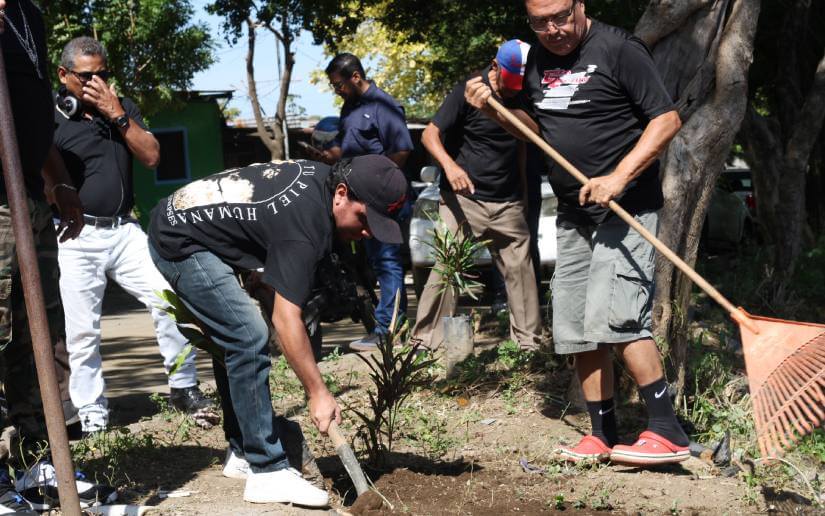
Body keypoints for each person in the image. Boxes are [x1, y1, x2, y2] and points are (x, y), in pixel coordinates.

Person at [465, 0, 688, 466]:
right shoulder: (537, 60)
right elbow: (534, 131)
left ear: (580, 6)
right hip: (572, 213)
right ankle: (602, 433)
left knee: (622, 317)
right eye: (539, 21)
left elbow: (666, 120)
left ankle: (667, 430)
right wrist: (494, 110)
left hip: (625, 208)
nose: (552, 29)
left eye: (560, 16)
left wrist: (619, 177)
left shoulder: (618, 49)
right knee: (576, 329)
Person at [147, 155, 408, 507]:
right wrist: (318, 393)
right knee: (247, 335)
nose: (367, 232)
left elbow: (267, 229)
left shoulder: (321, 186)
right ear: (342, 194)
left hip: (195, 228)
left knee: (235, 337)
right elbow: (286, 320)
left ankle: (242, 451)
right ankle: (267, 470)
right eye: (365, 219)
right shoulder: (306, 226)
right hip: (180, 240)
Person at [52, 36, 210, 435]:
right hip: (76, 234)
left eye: (104, 74)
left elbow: (153, 155)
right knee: (83, 328)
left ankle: (183, 386)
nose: (97, 83)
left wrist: (117, 113)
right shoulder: (50, 119)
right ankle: (91, 412)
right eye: (88, 76)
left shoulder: (120, 109)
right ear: (64, 75)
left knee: (170, 299)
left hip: (124, 230)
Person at [0, 1, 115, 511]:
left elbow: (31, 110)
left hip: (28, 197)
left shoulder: (29, 13)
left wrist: (59, 180)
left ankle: (32, 464)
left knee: (38, 335)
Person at [412, 40, 542, 352]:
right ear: (496, 66)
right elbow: (429, 134)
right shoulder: (467, 90)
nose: (514, 91)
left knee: (521, 272)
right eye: (510, 84)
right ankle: (423, 344)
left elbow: (525, 142)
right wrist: (450, 166)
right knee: (448, 268)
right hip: (464, 200)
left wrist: (523, 194)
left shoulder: (525, 94)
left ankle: (529, 345)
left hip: (507, 200)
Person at [309, 53, 414, 351]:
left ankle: (388, 330)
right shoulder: (350, 107)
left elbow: (402, 149)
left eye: (338, 84)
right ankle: (383, 325)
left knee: (388, 261)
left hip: (380, 199)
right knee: (375, 264)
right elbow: (348, 148)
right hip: (358, 199)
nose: (337, 90)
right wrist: (329, 156)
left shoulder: (384, 105)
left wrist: (380, 186)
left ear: (356, 76)